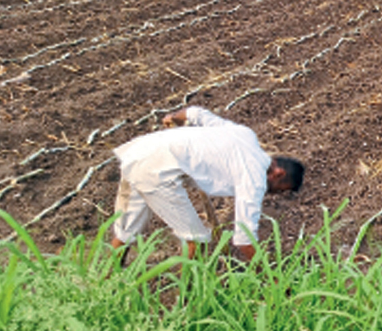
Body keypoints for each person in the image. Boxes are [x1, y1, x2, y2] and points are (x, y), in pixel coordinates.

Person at [108, 105, 304, 264]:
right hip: (156, 170)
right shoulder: (254, 178)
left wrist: (175, 117)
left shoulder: (246, 135)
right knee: (197, 239)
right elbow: (244, 238)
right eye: (280, 190)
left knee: (127, 229)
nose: (274, 195)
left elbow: (195, 113)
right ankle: (184, 299)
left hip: (140, 150)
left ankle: (108, 281)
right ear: (279, 174)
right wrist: (271, 276)